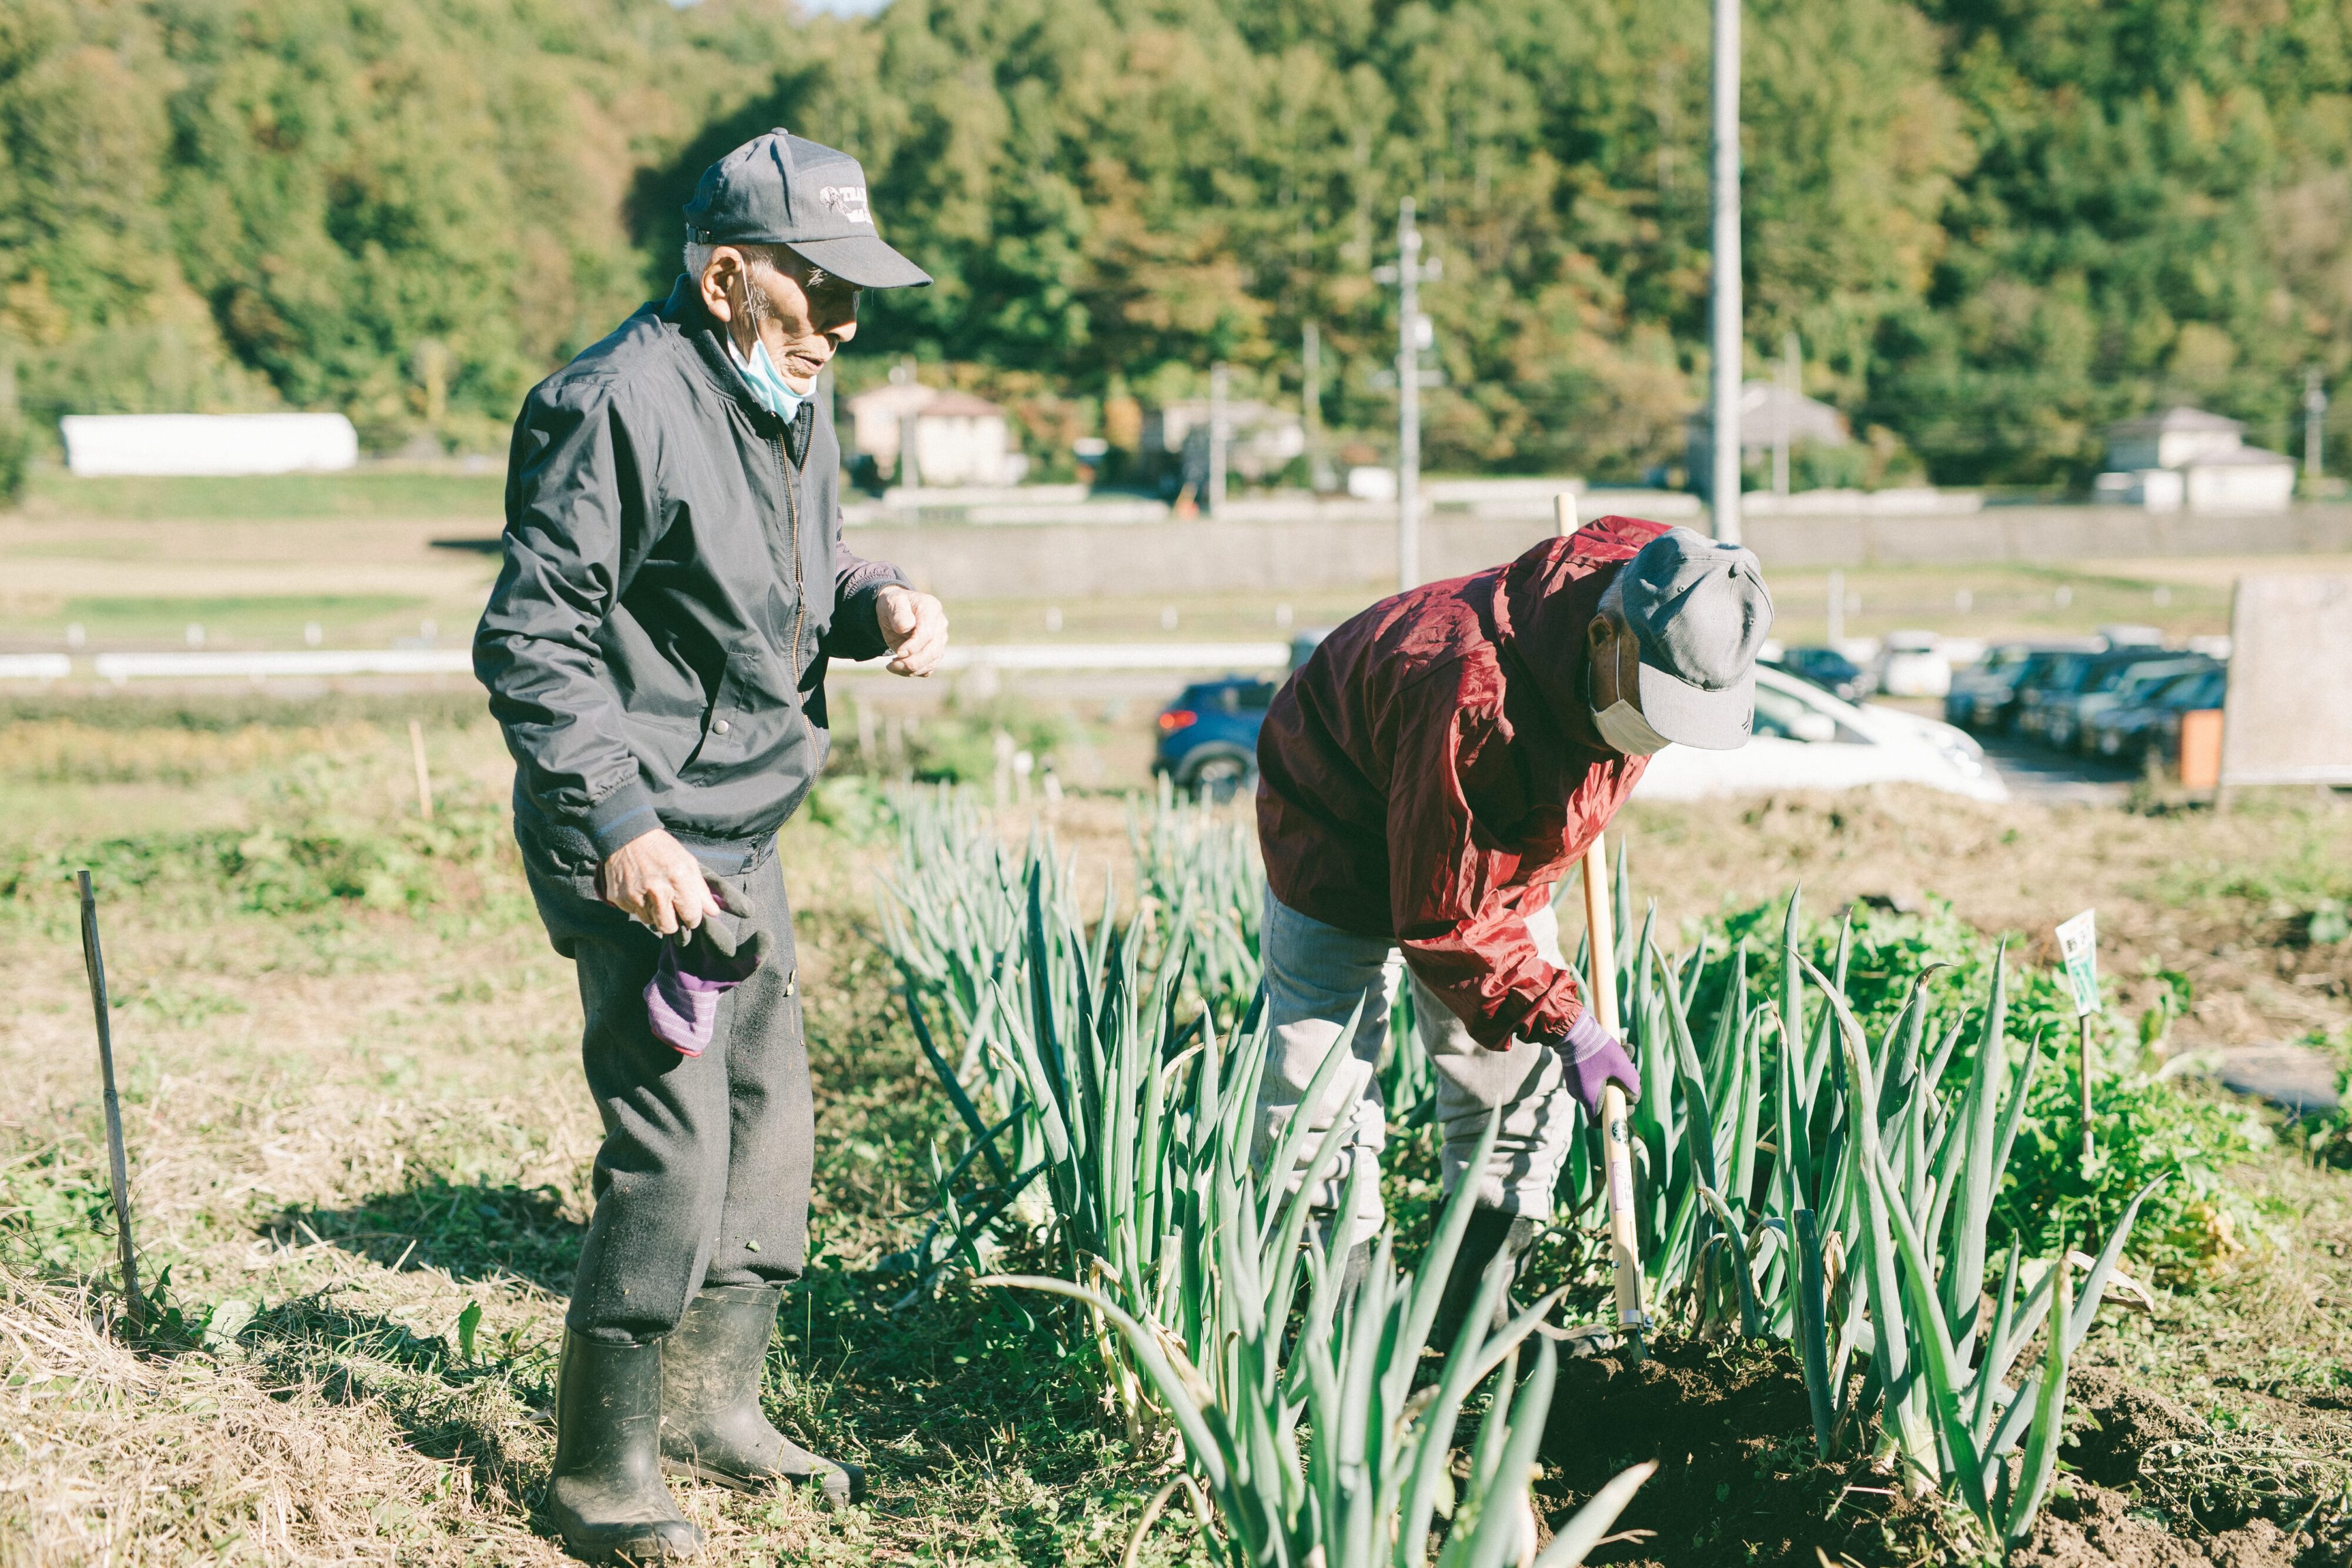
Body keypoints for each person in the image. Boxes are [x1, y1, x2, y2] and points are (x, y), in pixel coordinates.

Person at [475, 129, 946, 1564]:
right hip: (641, 839)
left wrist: (878, 602)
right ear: (729, 276)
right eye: (822, 290)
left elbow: (802, 568)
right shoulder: (611, 405)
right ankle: (598, 1471)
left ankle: (711, 1405)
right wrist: (621, 825)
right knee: (671, 1152)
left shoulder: (790, 392)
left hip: (746, 826)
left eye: (861, 292)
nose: (847, 323)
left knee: (767, 1134)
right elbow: (534, 639)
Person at [1251, 517, 1772, 1342]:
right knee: (1319, 1073)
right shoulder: (1468, 691)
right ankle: (1331, 1318)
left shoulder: (1671, 588)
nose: (1661, 733)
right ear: (1603, 635)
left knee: (1514, 1083)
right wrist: (1566, 1018)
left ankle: (1467, 1316)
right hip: (1334, 821)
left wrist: (1543, 1016)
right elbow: (1446, 915)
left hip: (1502, 829)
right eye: (1656, 705)